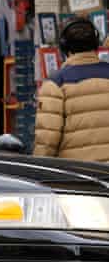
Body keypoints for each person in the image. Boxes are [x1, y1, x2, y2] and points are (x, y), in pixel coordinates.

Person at [34, 17, 109, 162]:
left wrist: (38, 171)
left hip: (76, 176)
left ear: (64, 47)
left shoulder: (55, 84)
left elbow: (47, 140)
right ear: (96, 44)